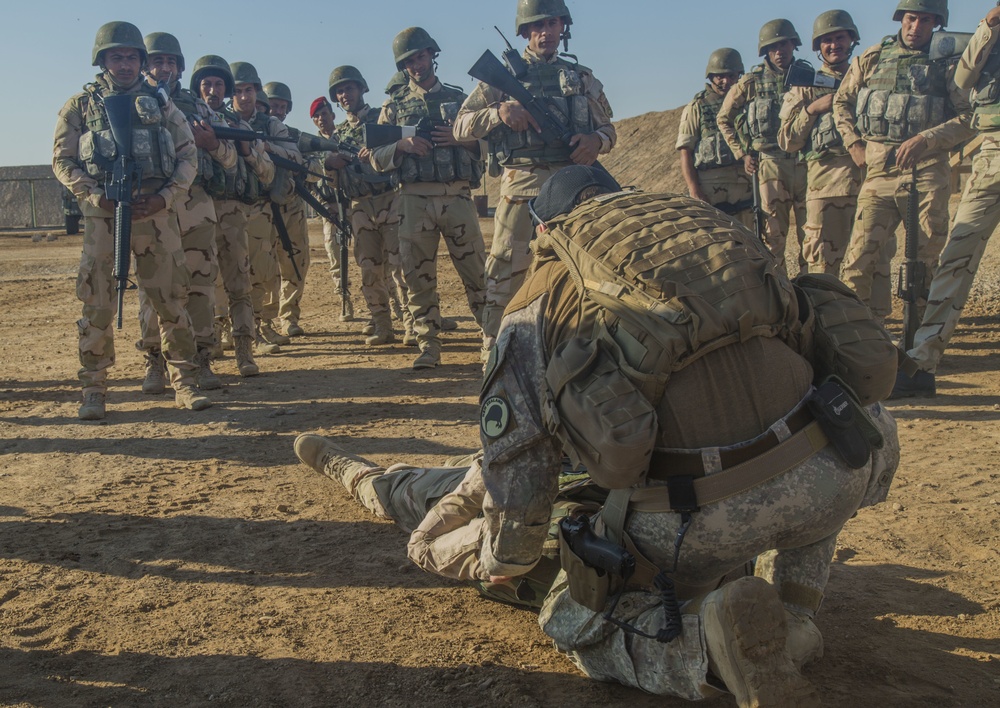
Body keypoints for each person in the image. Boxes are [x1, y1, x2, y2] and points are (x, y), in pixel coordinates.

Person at [296, 166, 901, 706]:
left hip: (698, 523)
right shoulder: (714, 234)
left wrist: (503, 561)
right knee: (805, 455)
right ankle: (797, 618)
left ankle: (710, 657)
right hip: (840, 470)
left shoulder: (541, 298)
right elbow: (834, 357)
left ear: (542, 231)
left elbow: (520, 469)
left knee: (569, 617)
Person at [53, 21, 211, 419]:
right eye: (116, 56)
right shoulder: (80, 105)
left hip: (155, 215)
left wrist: (164, 197)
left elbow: (188, 156)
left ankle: (185, 382)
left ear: (140, 61)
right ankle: (94, 389)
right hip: (102, 215)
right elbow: (62, 160)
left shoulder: (161, 104)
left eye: (131, 57)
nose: (124, 64)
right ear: (102, 60)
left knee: (171, 298)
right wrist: (94, 195)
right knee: (97, 303)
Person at [454, 0, 615, 353]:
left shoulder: (583, 78)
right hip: (522, 185)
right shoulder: (502, 79)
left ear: (563, 28)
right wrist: (499, 111)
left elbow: (608, 130)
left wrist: (594, 140)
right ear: (525, 32)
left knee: (581, 270)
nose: (546, 32)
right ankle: (494, 349)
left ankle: (577, 348)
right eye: (537, 25)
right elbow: (460, 126)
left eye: (553, 23)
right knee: (505, 271)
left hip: (574, 186)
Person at [832, 0, 971, 324]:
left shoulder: (949, 62)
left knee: (925, 261)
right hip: (879, 172)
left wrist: (927, 139)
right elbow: (842, 101)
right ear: (901, 19)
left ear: (936, 23)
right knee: (857, 261)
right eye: (911, 19)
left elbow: (968, 117)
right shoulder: (874, 55)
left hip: (927, 170)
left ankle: (920, 344)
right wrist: (853, 143)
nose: (915, 27)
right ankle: (857, 342)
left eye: (924, 21)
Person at [893, 3, 1000, 397]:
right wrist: (988, 26)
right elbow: (965, 76)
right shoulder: (988, 31)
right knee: (956, 258)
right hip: (991, 154)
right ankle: (920, 364)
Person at [371, 27, 488, 369]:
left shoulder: (461, 99)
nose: (416, 66)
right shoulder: (392, 107)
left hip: (457, 197)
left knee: (477, 272)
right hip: (413, 200)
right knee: (417, 276)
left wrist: (460, 139)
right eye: (408, 61)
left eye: (420, 56)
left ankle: (492, 337)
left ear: (432, 55)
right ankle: (428, 346)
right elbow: (374, 157)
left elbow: (486, 147)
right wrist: (402, 146)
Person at [136, 32, 236, 393]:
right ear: (146, 63)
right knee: (153, 286)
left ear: (179, 66)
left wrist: (213, 144)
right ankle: (155, 362)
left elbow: (231, 160)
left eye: (171, 62)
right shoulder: (131, 102)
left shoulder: (201, 108)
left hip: (195, 205)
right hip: (151, 205)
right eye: (157, 60)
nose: (164, 68)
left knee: (200, 284)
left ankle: (202, 359)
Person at [191, 54, 272, 378]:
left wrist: (243, 152)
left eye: (218, 84)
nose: (212, 90)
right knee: (202, 288)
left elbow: (265, 174)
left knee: (239, 285)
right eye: (207, 84)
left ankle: (244, 351)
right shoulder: (184, 119)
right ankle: (204, 353)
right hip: (196, 213)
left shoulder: (238, 126)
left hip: (232, 213)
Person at [324, 66, 414, 346]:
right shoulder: (337, 135)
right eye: (339, 91)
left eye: (349, 88)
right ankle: (383, 324)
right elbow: (334, 182)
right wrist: (330, 165)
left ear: (362, 89)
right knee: (369, 268)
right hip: (359, 206)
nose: (345, 95)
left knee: (401, 266)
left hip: (390, 197)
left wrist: (376, 154)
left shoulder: (381, 120)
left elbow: (403, 144)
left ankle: (411, 324)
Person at [718, 19, 809, 275]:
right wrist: (742, 153)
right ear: (765, 51)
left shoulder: (808, 75)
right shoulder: (751, 82)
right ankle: (781, 298)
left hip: (806, 163)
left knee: (811, 236)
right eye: (773, 47)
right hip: (770, 165)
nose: (779, 51)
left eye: (784, 44)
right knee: (773, 239)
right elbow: (723, 118)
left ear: (793, 45)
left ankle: (813, 295)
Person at [778, 11, 865, 276]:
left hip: (868, 184)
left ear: (851, 40)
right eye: (827, 40)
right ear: (818, 47)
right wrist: (813, 109)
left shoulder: (867, 80)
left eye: (840, 37)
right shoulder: (806, 87)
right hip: (825, 188)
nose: (834, 44)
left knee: (869, 263)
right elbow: (786, 141)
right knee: (821, 268)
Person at [228, 62, 302, 354]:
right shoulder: (220, 119)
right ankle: (226, 329)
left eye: (249, 90)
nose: (244, 97)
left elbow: (294, 156)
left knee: (262, 270)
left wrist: (266, 148)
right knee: (227, 272)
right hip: (228, 205)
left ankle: (260, 326)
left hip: (260, 206)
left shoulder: (270, 124)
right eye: (238, 91)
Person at [676, 48, 753, 228]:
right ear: (711, 77)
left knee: (750, 246)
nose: (726, 82)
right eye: (720, 76)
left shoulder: (747, 105)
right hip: (711, 188)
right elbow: (685, 153)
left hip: (745, 188)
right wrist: (695, 191)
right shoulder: (697, 107)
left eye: (732, 76)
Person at [261, 81, 312, 338]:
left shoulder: (294, 136)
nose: (277, 111)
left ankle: (289, 316)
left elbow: (307, 163)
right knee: (265, 267)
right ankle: (264, 322)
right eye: (273, 105)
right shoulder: (255, 130)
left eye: (282, 107)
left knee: (296, 261)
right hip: (263, 209)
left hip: (292, 205)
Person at [309, 95, 355, 322]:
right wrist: (325, 206)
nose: (321, 119)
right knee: (336, 258)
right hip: (331, 209)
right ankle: (344, 300)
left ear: (332, 115)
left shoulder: (346, 137)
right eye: (316, 116)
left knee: (373, 256)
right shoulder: (312, 146)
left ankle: (391, 304)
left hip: (355, 205)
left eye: (324, 114)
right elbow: (310, 182)